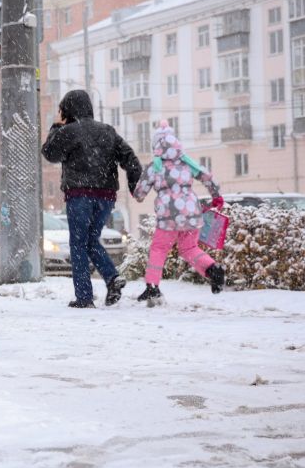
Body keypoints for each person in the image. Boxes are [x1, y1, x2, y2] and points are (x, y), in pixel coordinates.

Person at [42, 89, 142, 308]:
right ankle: (112, 278)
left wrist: (56, 126)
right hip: (106, 197)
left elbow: (49, 153)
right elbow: (131, 158)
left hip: (80, 195)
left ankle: (84, 297)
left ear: (68, 109)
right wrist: (134, 186)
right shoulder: (107, 131)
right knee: (90, 240)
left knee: (78, 243)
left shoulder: (69, 131)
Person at [132, 120, 225, 305]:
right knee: (189, 248)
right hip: (192, 213)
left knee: (159, 249)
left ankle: (152, 287)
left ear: (156, 145)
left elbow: (140, 194)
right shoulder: (187, 162)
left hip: (169, 216)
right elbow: (207, 177)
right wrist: (216, 196)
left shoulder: (155, 166)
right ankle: (213, 269)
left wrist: (137, 190)